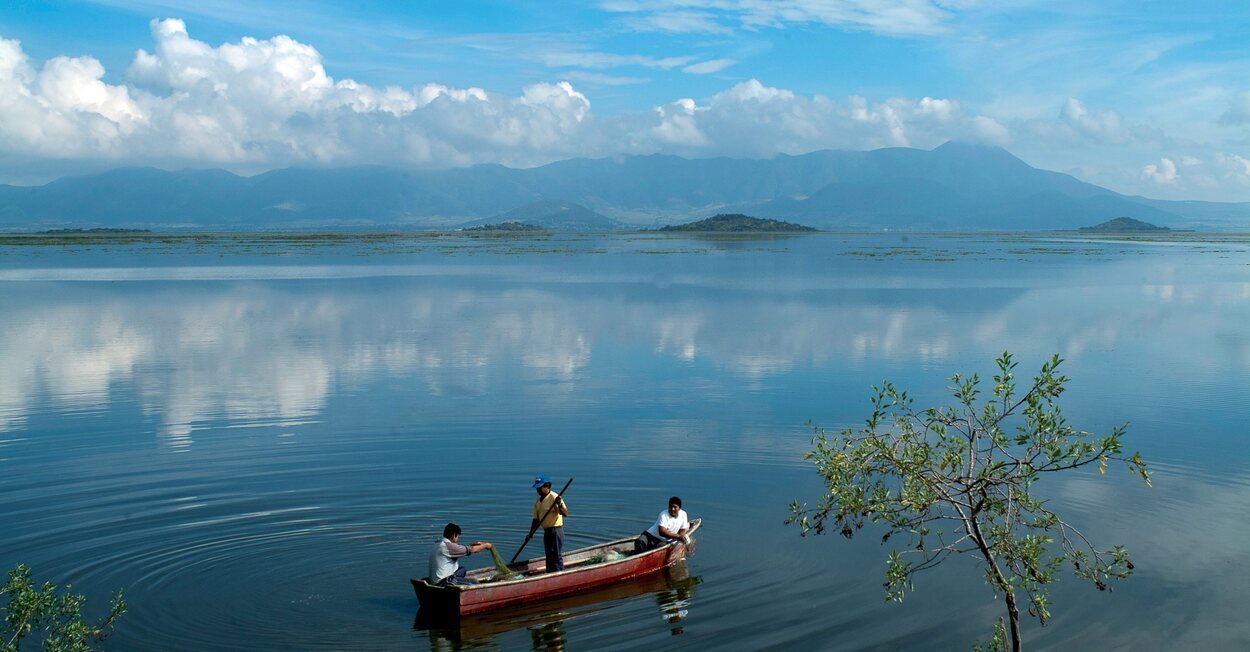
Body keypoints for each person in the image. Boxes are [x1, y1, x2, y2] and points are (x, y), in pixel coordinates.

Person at [428, 522, 492, 586]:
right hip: (442, 581)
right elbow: (471, 550)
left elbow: (462, 550)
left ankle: (456, 580)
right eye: (457, 536)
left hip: (435, 579)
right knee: (475, 582)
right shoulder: (448, 546)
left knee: (462, 570)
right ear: (453, 536)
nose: (458, 538)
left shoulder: (439, 543)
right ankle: (453, 582)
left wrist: (473, 545)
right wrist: (485, 545)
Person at [530, 473, 569, 573]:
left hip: (556, 531)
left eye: (540, 488)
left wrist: (559, 504)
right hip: (547, 531)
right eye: (537, 488)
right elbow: (536, 519)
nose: (538, 490)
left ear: (547, 486)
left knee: (556, 554)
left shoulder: (555, 497)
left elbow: (565, 513)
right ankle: (549, 573)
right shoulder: (538, 502)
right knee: (549, 555)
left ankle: (560, 573)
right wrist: (530, 533)